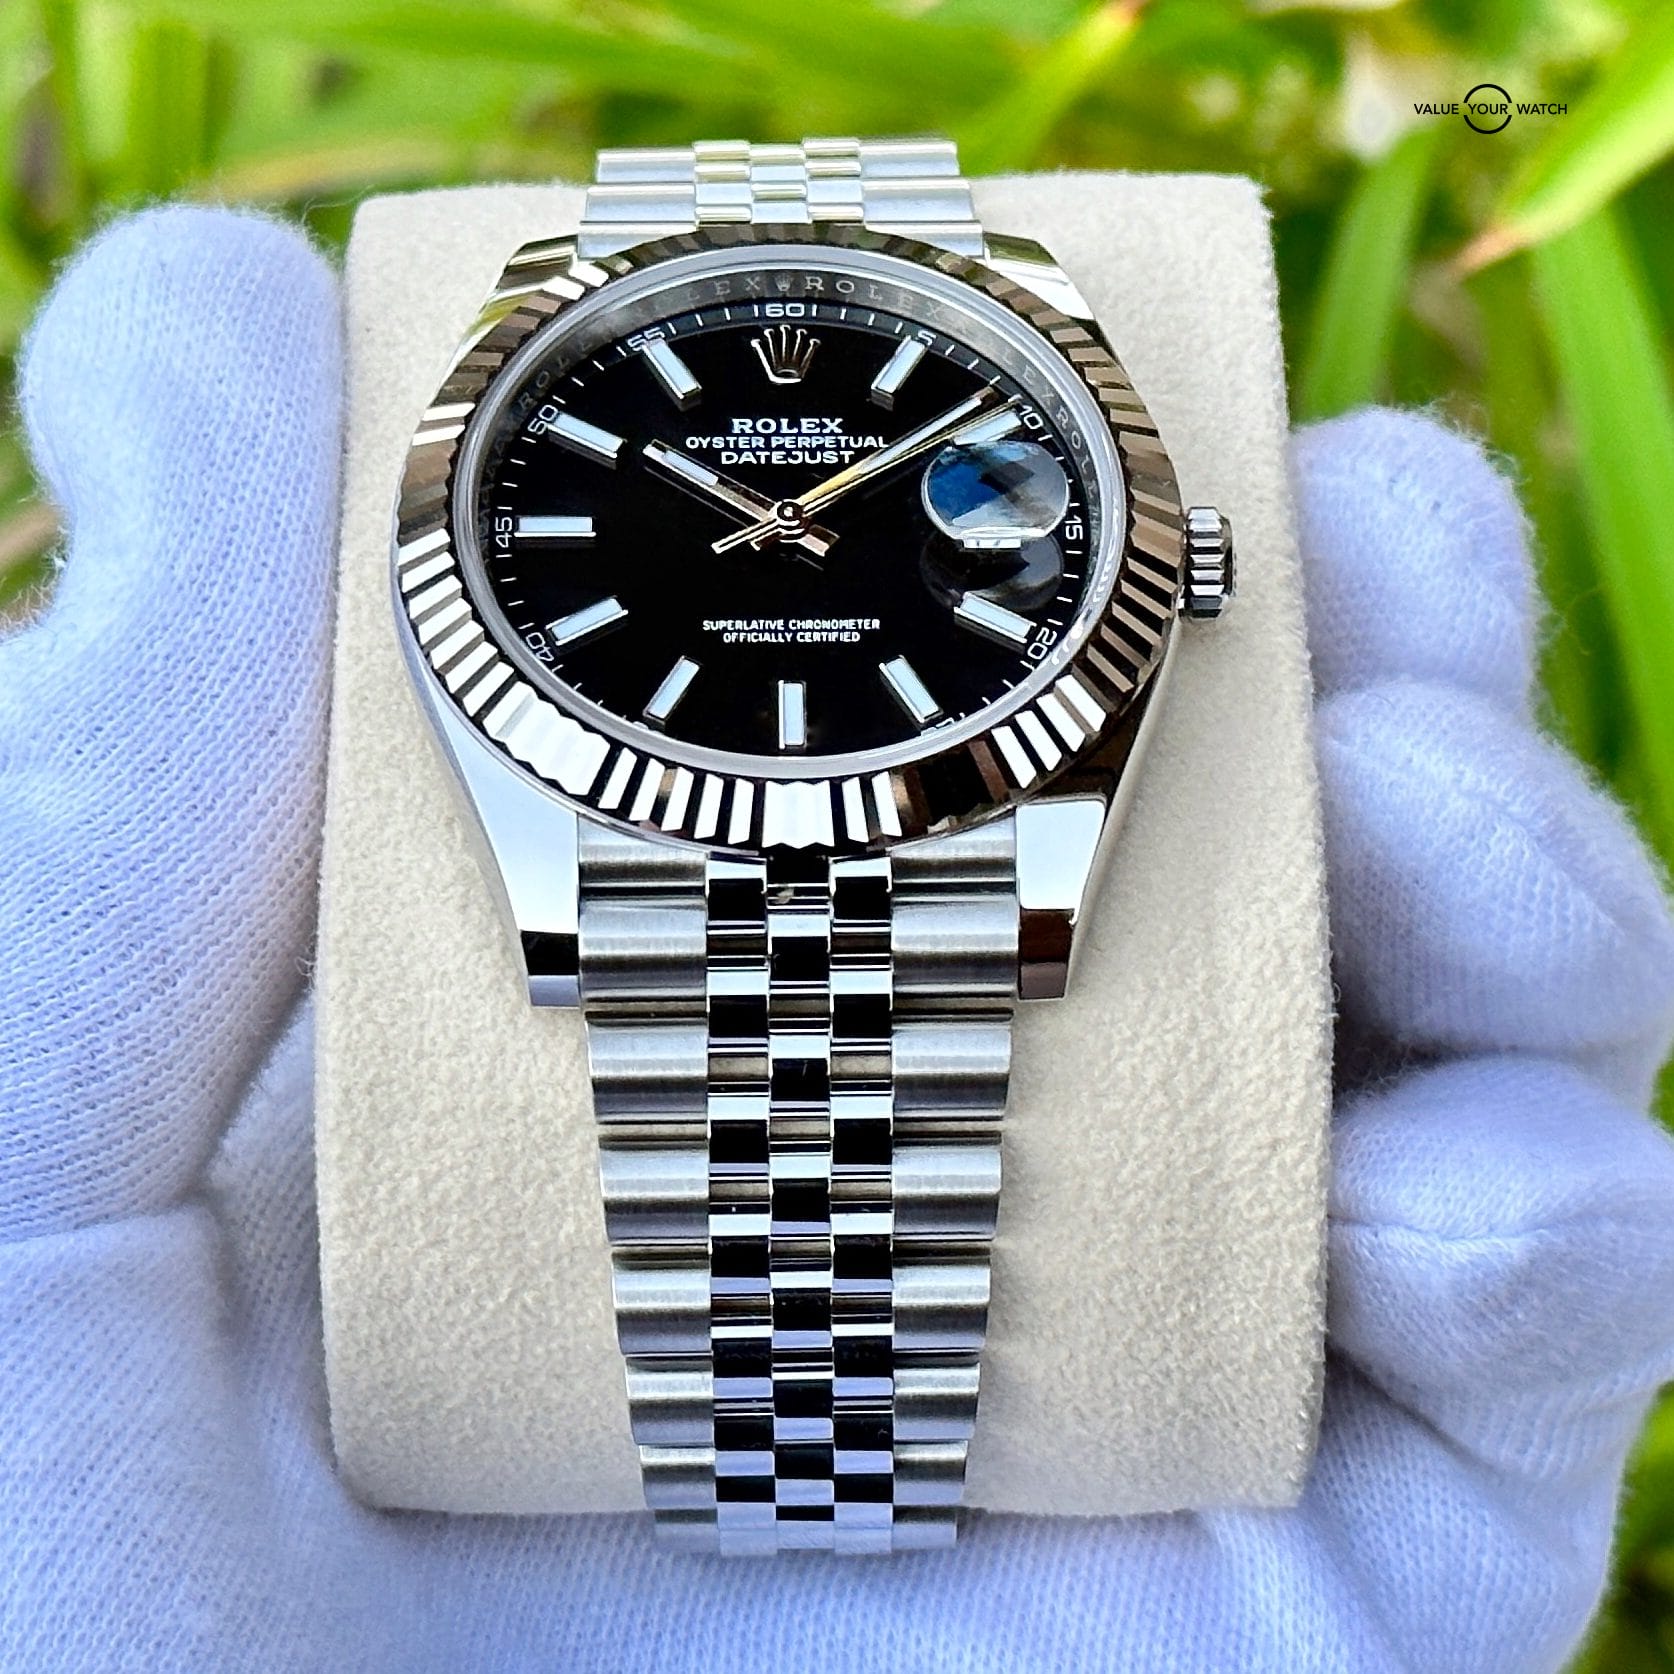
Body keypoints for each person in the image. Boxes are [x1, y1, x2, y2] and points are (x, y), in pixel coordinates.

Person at [2, 206, 1672, 1674]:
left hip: (965, 816)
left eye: (833, 508)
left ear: (1177, 564)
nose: (793, 535)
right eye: (755, 512)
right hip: (610, 822)